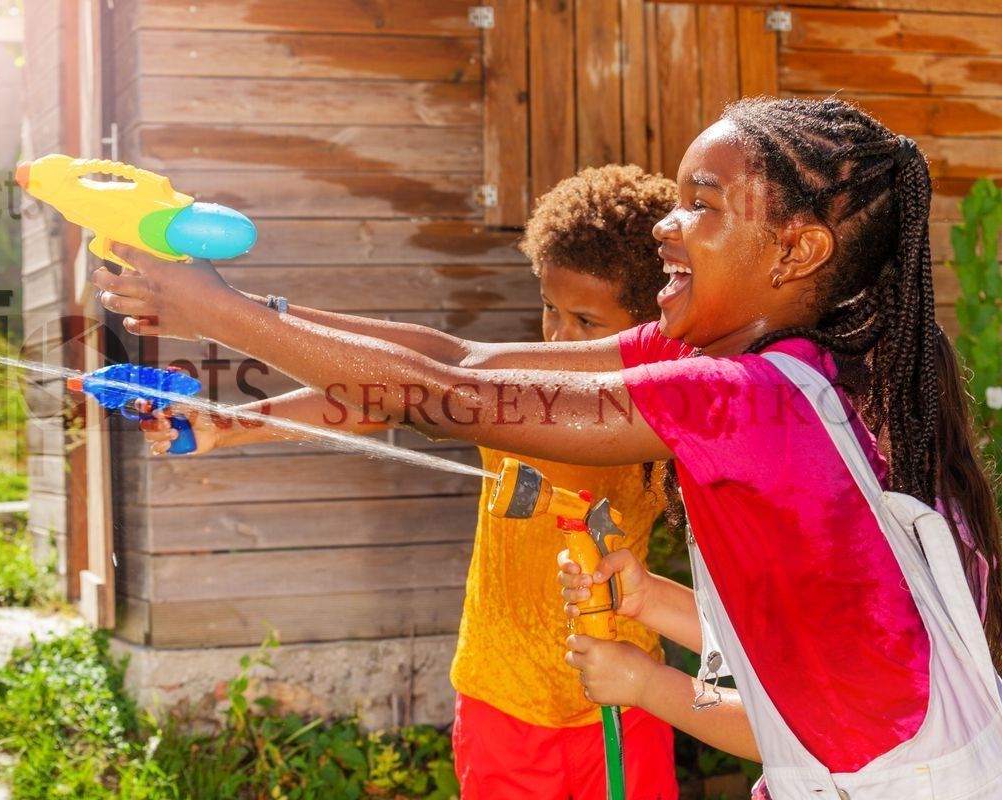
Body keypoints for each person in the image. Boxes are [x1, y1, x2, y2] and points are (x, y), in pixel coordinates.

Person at [95, 96, 1002, 798]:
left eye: (702, 204)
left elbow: (452, 399)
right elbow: (461, 358)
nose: (666, 226)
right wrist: (258, 312)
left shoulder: (745, 396)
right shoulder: (786, 367)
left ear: (796, 249)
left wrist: (217, 315)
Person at [140, 165, 681, 799]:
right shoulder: (510, 391)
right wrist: (230, 424)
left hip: (625, 699)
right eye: (549, 309)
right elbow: (385, 398)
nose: (559, 336)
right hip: (499, 698)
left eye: (586, 323)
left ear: (649, 325)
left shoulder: (663, 411)